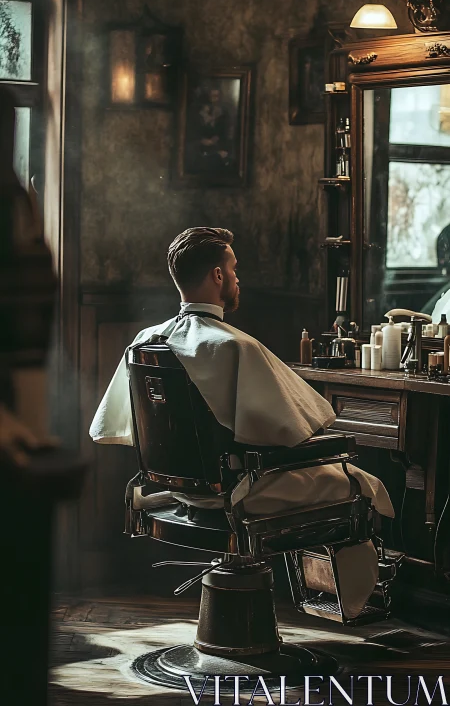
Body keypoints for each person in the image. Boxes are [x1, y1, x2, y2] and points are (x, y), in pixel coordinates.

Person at [90, 226, 394, 619]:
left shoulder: (145, 342)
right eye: (233, 268)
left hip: (174, 491)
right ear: (217, 275)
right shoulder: (233, 346)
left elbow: (122, 425)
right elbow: (294, 431)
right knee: (359, 483)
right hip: (234, 496)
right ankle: (355, 601)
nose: (237, 277)